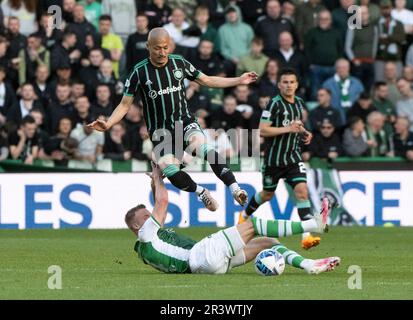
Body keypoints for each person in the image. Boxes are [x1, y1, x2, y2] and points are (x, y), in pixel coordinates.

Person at [88, 27, 257, 211]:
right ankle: (201, 192)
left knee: (204, 148)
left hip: (184, 122)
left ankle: (235, 189)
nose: (162, 52)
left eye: (165, 47)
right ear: (148, 47)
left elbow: (207, 80)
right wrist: (109, 123)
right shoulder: (139, 72)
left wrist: (239, 80)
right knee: (169, 170)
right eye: (157, 48)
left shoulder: (179, 63)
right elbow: (124, 105)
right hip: (161, 132)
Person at [125, 162, 341, 275]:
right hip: (201, 254)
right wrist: (158, 177)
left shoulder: (148, 243)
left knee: (269, 243)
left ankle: (309, 264)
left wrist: (155, 183)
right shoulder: (146, 234)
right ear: (136, 225)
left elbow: (157, 203)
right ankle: (314, 224)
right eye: (146, 216)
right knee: (253, 225)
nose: (152, 216)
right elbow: (162, 202)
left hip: (206, 266)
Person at [238, 68, 322, 251]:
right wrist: (289, 129)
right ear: (279, 85)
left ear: (297, 85)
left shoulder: (299, 103)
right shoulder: (273, 104)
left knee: (302, 191)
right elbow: (262, 130)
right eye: (285, 82)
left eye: (292, 82)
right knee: (267, 194)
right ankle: (244, 215)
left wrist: (304, 132)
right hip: (273, 160)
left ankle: (306, 236)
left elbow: (295, 124)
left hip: (293, 156)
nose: (289, 85)